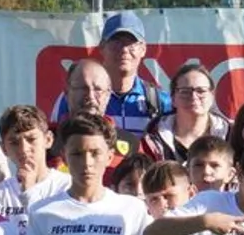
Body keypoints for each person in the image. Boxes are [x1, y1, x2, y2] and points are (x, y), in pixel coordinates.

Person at [24, 113, 149, 235]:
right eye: (77, 154)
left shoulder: (131, 208)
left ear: (109, 156)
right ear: (64, 156)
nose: (87, 162)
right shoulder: (42, 211)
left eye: (95, 153)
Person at [48, 12, 171, 140]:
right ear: (102, 46)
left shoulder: (161, 101)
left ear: (143, 49)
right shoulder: (74, 96)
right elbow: (57, 144)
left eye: (131, 44)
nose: (124, 50)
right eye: (116, 43)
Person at [0, 104, 69, 235]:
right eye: (14, 142)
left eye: (31, 139)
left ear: (48, 139)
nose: (24, 148)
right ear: (3, 149)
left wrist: (30, 191)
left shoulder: (67, 187)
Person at [142, 60, 230, 164]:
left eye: (201, 91)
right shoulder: (152, 138)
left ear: (212, 97)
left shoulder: (229, 136)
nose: (193, 97)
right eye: (185, 91)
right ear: (173, 99)